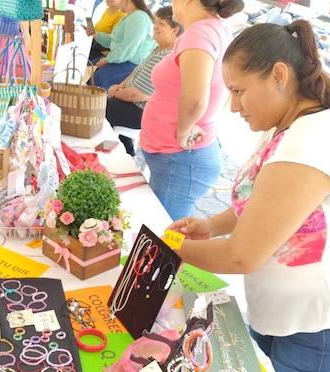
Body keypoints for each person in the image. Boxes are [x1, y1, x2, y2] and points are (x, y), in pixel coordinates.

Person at [169, 20, 330, 372]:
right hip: (284, 311)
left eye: (239, 91)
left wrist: (167, 249)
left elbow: (241, 256)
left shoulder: (312, 140)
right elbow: (265, 203)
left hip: (321, 321)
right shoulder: (288, 126)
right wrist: (212, 225)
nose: (233, 106)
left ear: (279, 76)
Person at [139, 0, 243, 221]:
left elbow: (196, 99)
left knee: (163, 232)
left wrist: (183, 131)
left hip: (179, 158)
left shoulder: (199, 35)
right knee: (162, 227)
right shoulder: (208, 30)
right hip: (177, 158)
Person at [105, 6, 182, 156]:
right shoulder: (158, 49)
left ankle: (116, 153)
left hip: (141, 111)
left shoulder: (166, 57)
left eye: (161, 24)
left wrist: (115, 92)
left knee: (100, 107)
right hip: (132, 103)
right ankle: (126, 149)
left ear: (175, 30)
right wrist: (119, 87)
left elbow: (137, 95)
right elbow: (134, 74)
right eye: (156, 22)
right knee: (106, 99)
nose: (155, 26)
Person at [90, 0, 156, 89]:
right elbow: (114, 40)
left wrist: (107, 60)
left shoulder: (139, 17)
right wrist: (95, 35)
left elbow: (128, 48)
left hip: (130, 64)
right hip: (121, 59)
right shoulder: (130, 16)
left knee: (95, 79)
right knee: (87, 69)